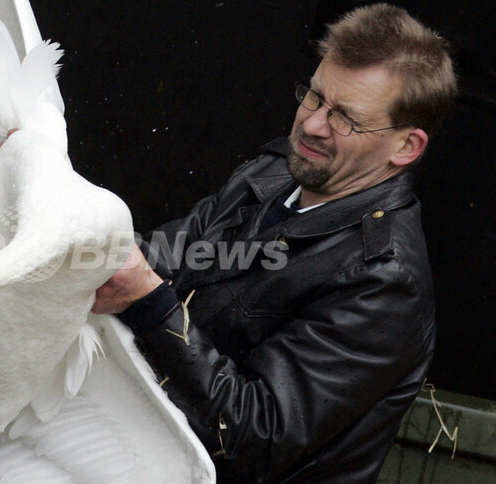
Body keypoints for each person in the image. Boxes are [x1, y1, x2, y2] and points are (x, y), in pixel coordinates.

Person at [92, 4, 457, 482]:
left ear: (406, 147)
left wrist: (150, 305)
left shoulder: (383, 278)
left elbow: (252, 436)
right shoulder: (273, 172)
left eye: (345, 118)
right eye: (314, 97)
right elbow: (161, 255)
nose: (312, 125)